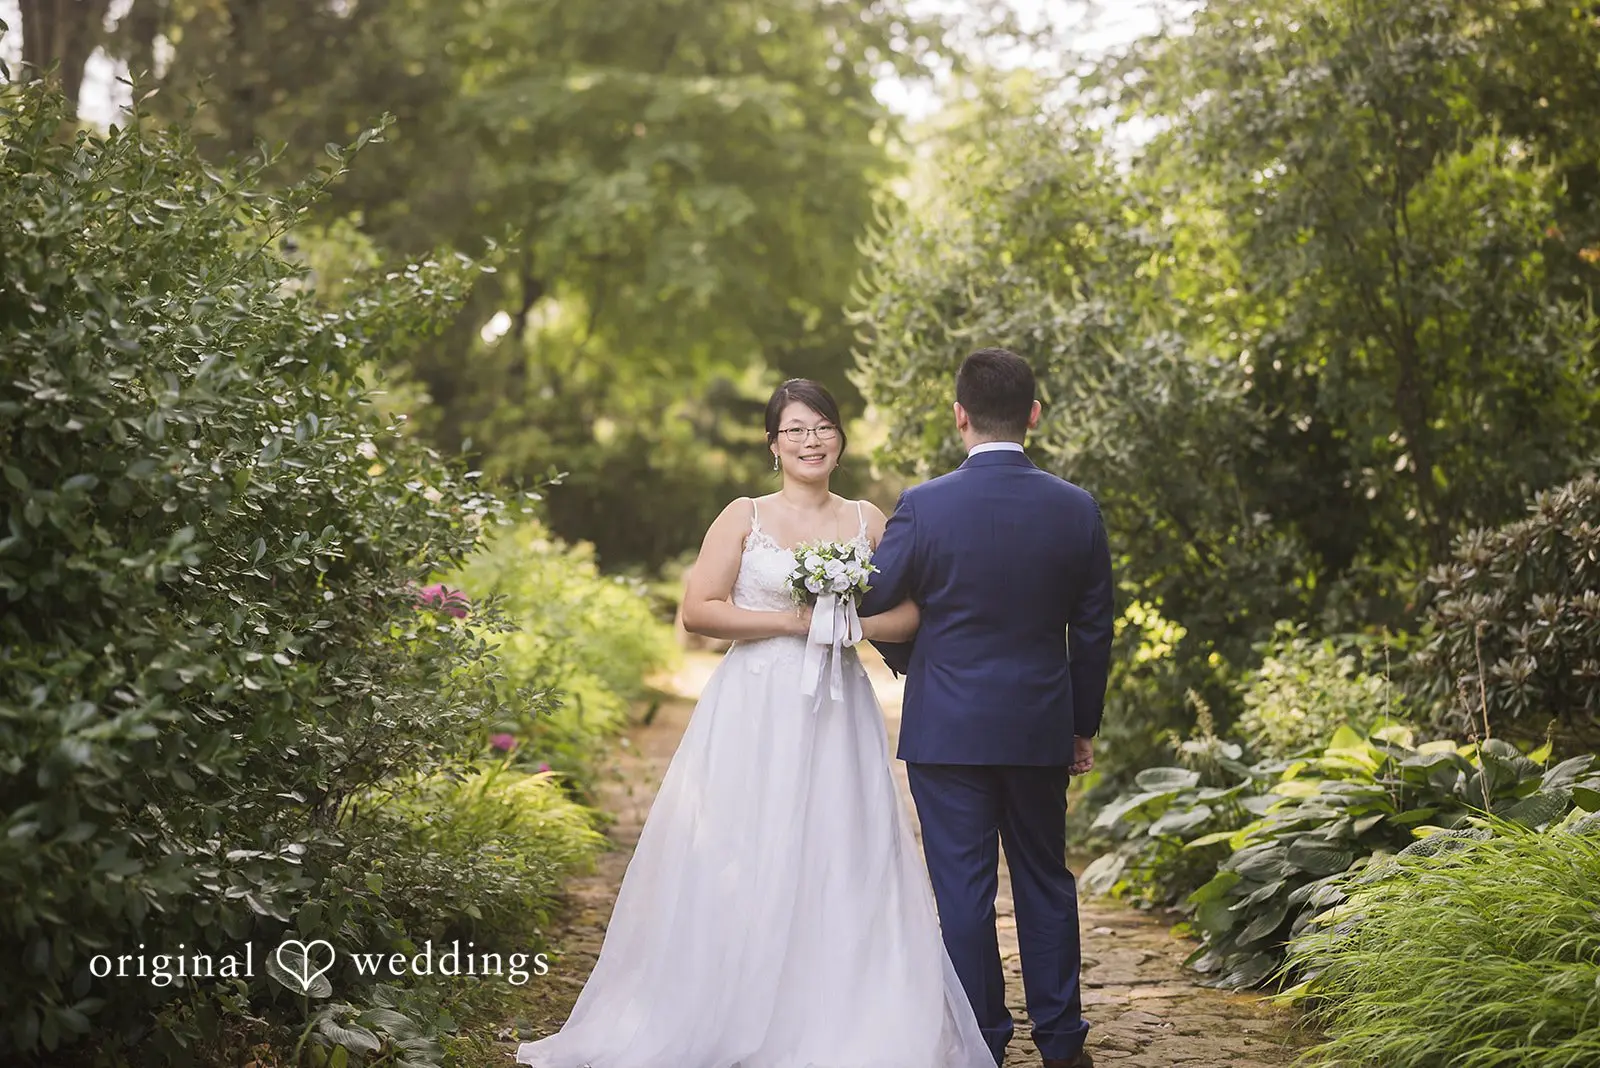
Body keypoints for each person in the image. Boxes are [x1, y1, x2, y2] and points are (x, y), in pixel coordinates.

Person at [515, 378, 995, 1068]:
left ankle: (845, 1013)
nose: (811, 441)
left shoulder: (869, 520)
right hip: (755, 704)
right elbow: (700, 610)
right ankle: (726, 1003)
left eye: (823, 427)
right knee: (746, 843)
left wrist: (845, 622)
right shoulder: (742, 515)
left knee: (843, 844)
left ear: (842, 438)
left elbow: (911, 612)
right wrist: (794, 623)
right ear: (773, 445)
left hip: (838, 706)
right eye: (795, 429)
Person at [859, 347, 1114, 1068]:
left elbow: (874, 602)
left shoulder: (925, 505)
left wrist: (919, 666)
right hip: (1039, 727)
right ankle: (1063, 1043)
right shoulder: (1076, 508)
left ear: (959, 416)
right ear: (1034, 414)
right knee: (1044, 880)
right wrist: (1080, 724)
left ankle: (984, 1045)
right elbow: (1093, 629)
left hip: (946, 728)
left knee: (964, 895)